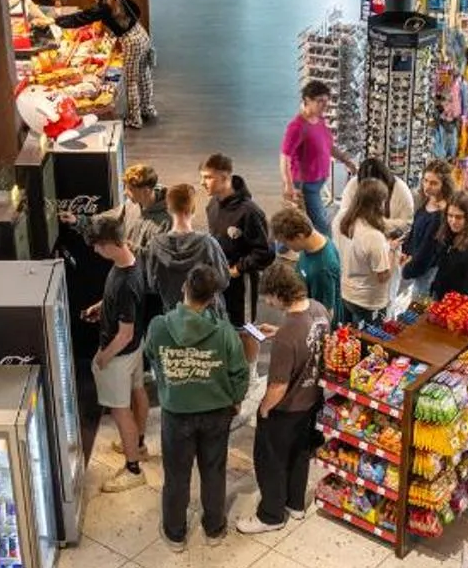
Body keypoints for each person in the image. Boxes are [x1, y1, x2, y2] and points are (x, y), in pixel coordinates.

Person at [144, 262, 250, 550]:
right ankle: (214, 528)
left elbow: (151, 356)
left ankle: (175, 533)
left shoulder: (159, 326)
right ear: (213, 297)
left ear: (184, 288)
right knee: (214, 471)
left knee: (176, 475)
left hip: (176, 413)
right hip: (217, 412)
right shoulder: (225, 332)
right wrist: (236, 399)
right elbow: (240, 372)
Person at [237, 262, 327, 534]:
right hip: (311, 400)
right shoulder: (318, 309)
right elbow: (310, 342)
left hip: (286, 408)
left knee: (271, 461)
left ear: (279, 293)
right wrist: (279, 332)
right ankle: (295, 505)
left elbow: (277, 386)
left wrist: (263, 409)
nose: (267, 301)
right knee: (299, 453)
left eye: (268, 296)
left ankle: (271, 515)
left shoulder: (289, 334)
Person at [85, 215, 154, 491]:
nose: (95, 251)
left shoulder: (126, 283)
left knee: (120, 411)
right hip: (135, 349)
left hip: (120, 354)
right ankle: (138, 444)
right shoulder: (129, 262)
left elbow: (123, 334)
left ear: (111, 244)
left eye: (98, 246)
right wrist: (102, 306)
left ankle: (133, 468)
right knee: (138, 392)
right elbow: (126, 309)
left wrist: (102, 358)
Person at [56, 0, 155, 126]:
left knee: (131, 81)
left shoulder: (102, 7)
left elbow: (79, 18)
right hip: (141, 34)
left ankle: (135, 119)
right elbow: (136, 10)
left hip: (130, 41)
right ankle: (148, 109)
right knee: (143, 74)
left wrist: (55, 21)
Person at [201, 153, 275, 328]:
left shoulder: (250, 212)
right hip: (219, 281)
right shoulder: (212, 205)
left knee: (243, 329)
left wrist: (238, 269)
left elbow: (265, 253)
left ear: (225, 177)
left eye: (208, 177)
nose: (202, 183)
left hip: (242, 285)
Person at [147, 181, 229, 313]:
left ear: (168, 208)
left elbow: (152, 285)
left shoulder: (156, 245)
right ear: (193, 208)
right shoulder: (207, 244)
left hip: (174, 316)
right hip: (208, 316)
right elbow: (223, 281)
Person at [281, 81, 351, 236]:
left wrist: (346, 160)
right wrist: (288, 184)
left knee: (296, 223)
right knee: (322, 225)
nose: (324, 105)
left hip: (317, 182)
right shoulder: (297, 126)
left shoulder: (320, 121)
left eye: (326, 101)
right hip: (305, 184)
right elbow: (284, 156)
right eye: (320, 101)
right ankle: (330, 257)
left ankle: (279, 249)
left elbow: (328, 147)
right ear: (307, 100)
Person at [334, 179, 397, 324]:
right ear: (380, 203)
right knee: (368, 344)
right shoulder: (374, 236)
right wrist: (392, 251)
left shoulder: (341, 219)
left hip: (346, 293)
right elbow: (383, 276)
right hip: (369, 301)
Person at [396, 159, 454, 305]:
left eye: (434, 183)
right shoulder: (426, 200)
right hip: (414, 263)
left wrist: (407, 269)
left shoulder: (441, 214)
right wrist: (405, 250)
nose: (427, 186)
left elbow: (428, 251)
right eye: (426, 181)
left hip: (426, 272)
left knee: (418, 307)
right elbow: (415, 229)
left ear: (444, 185)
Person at [271, 206, 342, 313]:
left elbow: (323, 314)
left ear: (299, 236)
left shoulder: (322, 269)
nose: (286, 246)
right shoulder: (310, 244)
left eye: (286, 242)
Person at [426, 189, 468, 301]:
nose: (453, 221)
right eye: (450, 215)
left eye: (459, 217)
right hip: (438, 297)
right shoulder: (448, 234)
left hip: (454, 308)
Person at [338, 154, 416, 237]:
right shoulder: (353, 185)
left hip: (389, 237)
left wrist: (378, 223)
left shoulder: (401, 189)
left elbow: (407, 223)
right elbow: (344, 214)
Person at [117, 163, 164, 253]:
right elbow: (115, 221)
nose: (125, 193)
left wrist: (128, 248)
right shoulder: (129, 204)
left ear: (146, 191)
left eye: (130, 189)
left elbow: (158, 257)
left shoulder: (166, 221)